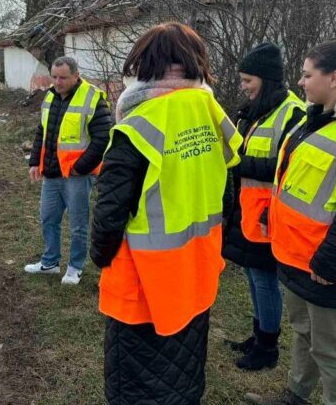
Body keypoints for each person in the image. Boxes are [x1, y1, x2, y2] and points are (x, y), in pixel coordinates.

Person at [90, 22, 242, 404]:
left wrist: (99, 255)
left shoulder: (140, 124)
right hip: (197, 269)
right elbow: (225, 190)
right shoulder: (211, 114)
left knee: (138, 384)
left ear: (144, 65)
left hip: (144, 280)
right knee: (184, 372)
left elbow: (110, 211)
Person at [244, 34, 336, 405]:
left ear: (334, 78)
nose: (300, 82)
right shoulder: (315, 118)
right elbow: (295, 180)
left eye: (307, 74)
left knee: (333, 352)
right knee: (303, 332)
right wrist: (273, 212)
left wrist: (329, 262)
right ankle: (296, 395)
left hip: (334, 268)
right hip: (297, 255)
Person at [222, 43, 306, 371]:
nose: (242, 86)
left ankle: (268, 347)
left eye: (247, 80)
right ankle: (258, 335)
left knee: (264, 278)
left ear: (266, 79)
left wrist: (239, 164)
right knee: (252, 275)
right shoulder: (257, 111)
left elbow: (286, 166)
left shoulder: (293, 112)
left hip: (270, 215)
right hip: (247, 211)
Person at [24, 56, 112, 285]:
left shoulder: (92, 98)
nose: (58, 82)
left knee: (78, 224)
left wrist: (79, 167)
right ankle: (50, 263)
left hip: (78, 176)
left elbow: (103, 138)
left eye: (63, 77)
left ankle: (75, 267)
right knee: (48, 219)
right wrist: (35, 162)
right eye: (54, 77)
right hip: (52, 174)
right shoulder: (51, 96)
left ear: (76, 75)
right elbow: (42, 132)